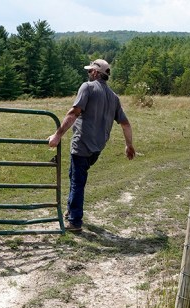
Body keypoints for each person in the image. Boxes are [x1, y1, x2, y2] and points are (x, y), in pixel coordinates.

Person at [48, 59, 135, 232]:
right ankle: (71, 211)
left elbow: (73, 113)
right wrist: (129, 145)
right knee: (74, 176)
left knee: (77, 182)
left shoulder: (87, 87)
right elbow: (125, 124)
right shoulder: (114, 97)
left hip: (82, 144)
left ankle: (74, 221)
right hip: (97, 148)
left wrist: (57, 135)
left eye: (90, 71)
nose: (88, 74)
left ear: (96, 73)